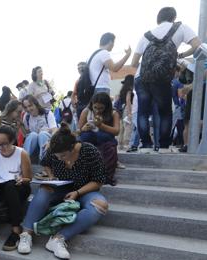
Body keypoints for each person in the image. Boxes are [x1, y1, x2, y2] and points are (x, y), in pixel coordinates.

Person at [20, 123, 108, 259]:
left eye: (63, 156)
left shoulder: (90, 151)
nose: (60, 159)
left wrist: (77, 193)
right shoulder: (55, 150)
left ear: (73, 148)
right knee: (44, 189)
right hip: (61, 188)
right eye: (57, 157)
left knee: (100, 205)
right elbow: (46, 163)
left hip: (84, 191)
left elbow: (98, 181)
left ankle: (58, 239)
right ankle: (26, 234)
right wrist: (51, 176)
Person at [131, 7, 200, 153]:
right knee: (165, 113)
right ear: (173, 17)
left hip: (141, 77)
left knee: (143, 112)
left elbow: (134, 62)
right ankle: (163, 146)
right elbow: (197, 46)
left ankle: (146, 146)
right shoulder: (180, 27)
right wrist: (180, 55)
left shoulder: (146, 35)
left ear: (158, 18)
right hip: (161, 78)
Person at [0, 126, 32, 253]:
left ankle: (16, 229)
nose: (1, 147)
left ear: (12, 141)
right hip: (0, 184)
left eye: (4, 144)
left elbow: (28, 178)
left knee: (10, 186)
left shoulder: (22, 153)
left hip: (18, 187)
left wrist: (21, 180)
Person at [78, 93, 121, 185]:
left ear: (107, 106)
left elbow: (116, 131)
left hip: (106, 141)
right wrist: (84, 128)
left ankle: (107, 176)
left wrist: (101, 125)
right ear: (92, 105)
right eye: (95, 108)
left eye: (101, 108)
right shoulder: (86, 111)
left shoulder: (113, 113)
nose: (97, 111)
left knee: (108, 143)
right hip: (89, 140)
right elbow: (79, 130)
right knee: (84, 139)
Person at [21, 95, 57, 161]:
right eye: (26, 107)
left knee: (42, 134)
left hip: (47, 141)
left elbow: (54, 130)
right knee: (33, 135)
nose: (28, 109)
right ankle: (24, 160)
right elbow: (27, 134)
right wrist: (20, 127)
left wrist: (50, 142)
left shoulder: (47, 113)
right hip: (34, 143)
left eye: (30, 106)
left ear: (36, 104)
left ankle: (45, 160)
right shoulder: (26, 116)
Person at [115, 75, 135, 150]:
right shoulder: (129, 90)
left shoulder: (122, 90)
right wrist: (130, 113)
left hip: (121, 109)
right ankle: (126, 144)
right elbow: (128, 100)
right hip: (127, 108)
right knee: (128, 126)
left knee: (121, 127)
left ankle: (119, 144)